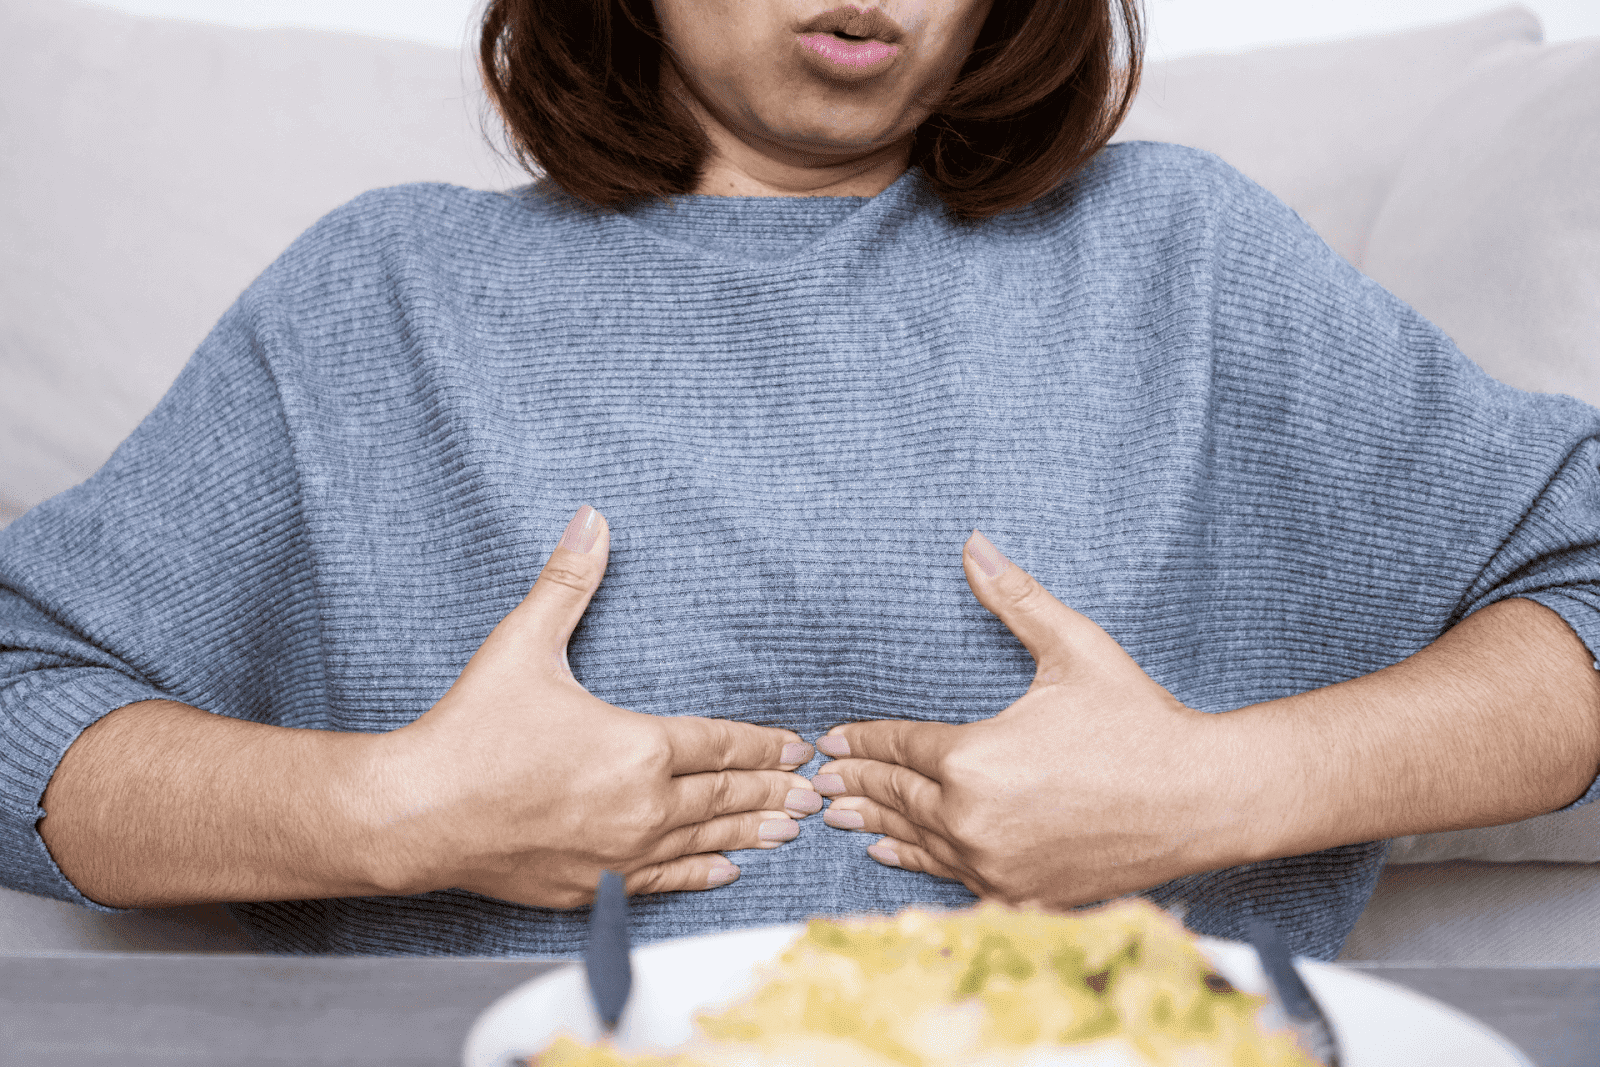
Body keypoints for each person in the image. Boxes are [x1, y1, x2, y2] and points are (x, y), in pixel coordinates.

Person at [2, 0, 1598, 962]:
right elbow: (22, 695)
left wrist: (1226, 788)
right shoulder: (381, 296)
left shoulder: (1179, 258)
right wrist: (388, 812)